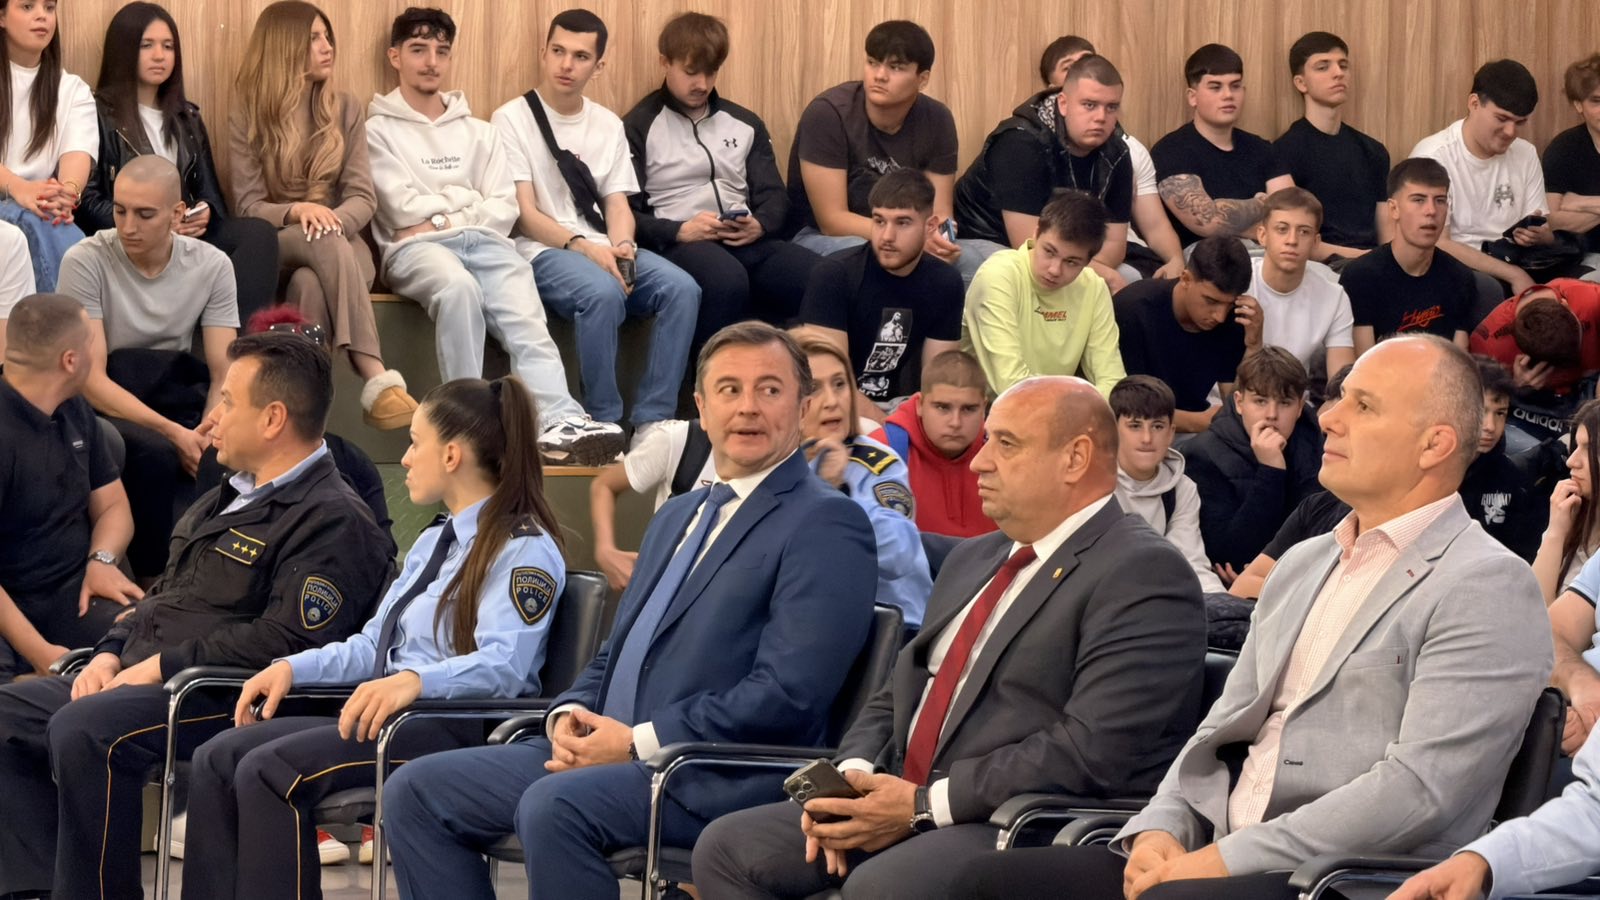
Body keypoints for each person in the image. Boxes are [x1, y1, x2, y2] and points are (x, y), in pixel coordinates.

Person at [948, 335, 1553, 900]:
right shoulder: (1304, 563)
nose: (1328, 417)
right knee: (985, 885)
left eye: (1363, 406)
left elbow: (1418, 790)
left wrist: (1220, 861)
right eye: (1339, 398)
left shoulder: (1487, 584)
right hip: (1216, 852)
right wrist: (1160, 829)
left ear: (1434, 445)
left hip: (1337, 879)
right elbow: (1217, 731)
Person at [381, 321, 879, 900]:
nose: (747, 406)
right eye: (729, 389)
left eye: (769, 389)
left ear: (802, 406)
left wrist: (637, 741)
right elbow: (616, 653)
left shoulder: (826, 522)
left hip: (711, 772)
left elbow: (787, 695)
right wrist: (567, 715)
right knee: (415, 790)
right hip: (612, 754)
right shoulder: (676, 514)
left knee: (554, 806)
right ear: (701, 408)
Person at [691, 375, 1207, 899]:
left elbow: (1090, 750)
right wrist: (851, 779)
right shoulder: (973, 557)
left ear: (1074, 459)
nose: (980, 462)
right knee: (729, 848)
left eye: (1006, 444)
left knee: (880, 889)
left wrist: (922, 805)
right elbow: (898, 690)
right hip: (904, 793)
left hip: (1017, 819)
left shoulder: (1143, 573)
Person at [0, 330, 393, 899]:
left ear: (273, 419)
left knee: (85, 728)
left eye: (228, 401)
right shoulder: (226, 496)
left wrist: (161, 667)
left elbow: (284, 642)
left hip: (225, 695)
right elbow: (163, 596)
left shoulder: (334, 519)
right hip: (147, 676)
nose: (213, 417)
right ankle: (36, 890)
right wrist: (109, 654)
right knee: (10, 714)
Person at [179, 375, 566, 900]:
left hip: (449, 725)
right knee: (216, 758)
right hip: (386, 716)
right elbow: (371, 646)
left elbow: (505, 667)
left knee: (269, 771)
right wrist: (292, 668)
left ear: (451, 455)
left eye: (414, 443)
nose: (404, 459)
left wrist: (416, 682)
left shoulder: (523, 549)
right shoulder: (435, 540)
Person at [365, 7, 622, 465]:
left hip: (485, 243)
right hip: (413, 249)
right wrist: (467, 205)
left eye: (441, 51)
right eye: (418, 50)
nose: (431, 62)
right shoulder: (377, 131)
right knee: (458, 290)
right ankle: (463, 425)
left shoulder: (480, 132)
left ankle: (559, 421)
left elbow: (504, 206)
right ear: (395, 57)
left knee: (524, 315)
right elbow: (398, 208)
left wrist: (442, 216)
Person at [490, 7, 700, 447]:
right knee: (601, 293)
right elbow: (524, 213)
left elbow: (617, 201)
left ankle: (653, 422)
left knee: (682, 289)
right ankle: (604, 421)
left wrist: (623, 245)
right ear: (543, 53)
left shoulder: (606, 123)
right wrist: (585, 247)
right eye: (558, 51)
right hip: (543, 250)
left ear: (598, 66)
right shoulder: (511, 118)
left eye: (581, 56)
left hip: (604, 245)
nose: (566, 64)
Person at [231, 0, 417, 430]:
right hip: (280, 240)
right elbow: (248, 206)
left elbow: (362, 197)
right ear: (286, 46)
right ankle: (375, 375)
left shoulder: (346, 108)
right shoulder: (248, 112)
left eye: (327, 37)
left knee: (309, 286)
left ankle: (301, 421)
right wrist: (299, 210)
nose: (327, 46)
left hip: (343, 247)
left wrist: (331, 221)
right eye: (314, 38)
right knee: (320, 245)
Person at [56, 155, 237, 579]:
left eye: (144, 214)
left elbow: (224, 371)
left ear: (177, 213)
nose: (128, 226)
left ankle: (209, 573)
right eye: (120, 211)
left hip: (176, 390)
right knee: (154, 452)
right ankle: (153, 577)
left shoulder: (213, 265)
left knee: (222, 452)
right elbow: (90, 380)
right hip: (108, 400)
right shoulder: (85, 259)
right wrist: (174, 434)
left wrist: (207, 431)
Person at [624, 11, 823, 351]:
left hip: (744, 238)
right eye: (691, 72)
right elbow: (624, 213)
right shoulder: (638, 126)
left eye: (711, 72)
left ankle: (802, 372)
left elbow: (775, 196)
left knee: (822, 276)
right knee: (726, 279)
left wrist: (760, 224)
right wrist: (679, 230)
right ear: (665, 62)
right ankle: (707, 379)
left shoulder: (744, 123)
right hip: (681, 242)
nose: (702, 84)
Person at [80, 1, 280, 326]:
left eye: (168, 46)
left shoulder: (187, 118)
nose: (160, 55)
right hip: (130, 236)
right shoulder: (96, 112)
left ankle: (242, 343)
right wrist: (152, 221)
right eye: (147, 45)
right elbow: (87, 201)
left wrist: (204, 213)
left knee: (258, 234)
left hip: (185, 235)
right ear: (123, 49)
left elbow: (212, 198)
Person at [0, 294, 136, 680]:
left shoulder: (72, 407)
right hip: (8, 603)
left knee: (143, 641)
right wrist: (40, 653)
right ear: (71, 361)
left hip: (73, 587)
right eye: (91, 343)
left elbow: (114, 507)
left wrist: (101, 561)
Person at [952, 53, 1136, 290]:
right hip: (991, 240)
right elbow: (1027, 245)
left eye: (1111, 107)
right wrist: (1086, 273)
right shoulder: (1021, 142)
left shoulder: (1117, 152)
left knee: (1129, 278)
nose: (1101, 117)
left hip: (1068, 252)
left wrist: (1082, 271)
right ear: (1063, 103)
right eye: (1089, 105)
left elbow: (1114, 243)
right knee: (1012, 277)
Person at [785, 19, 960, 266]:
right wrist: (906, 238)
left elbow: (939, 212)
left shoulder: (938, 119)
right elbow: (832, 220)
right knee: (873, 260)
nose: (879, 76)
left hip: (909, 237)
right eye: (873, 62)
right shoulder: (828, 113)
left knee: (981, 262)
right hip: (820, 236)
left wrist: (941, 239)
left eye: (895, 67)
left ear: (922, 79)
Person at [799, 169, 963, 420]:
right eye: (879, 221)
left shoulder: (944, 282)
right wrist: (890, 431)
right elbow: (828, 384)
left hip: (893, 406)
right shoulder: (834, 275)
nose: (887, 236)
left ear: (930, 226)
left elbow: (939, 383)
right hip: (826, 408)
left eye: (902, 222)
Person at [1412, 59, 1569, 318]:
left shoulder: (1526, 153)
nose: (1511, 132)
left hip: (1518, 258)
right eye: (1502, 119)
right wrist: (1513, 274)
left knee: (1580, 283)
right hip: (1459, 267)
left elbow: (1542, 226)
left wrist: (1539, 235)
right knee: (1489, 289)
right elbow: (1438, 242)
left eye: (1520, 122)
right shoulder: (1434, 157)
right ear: (1474, 103)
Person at [800, 337, 931, 630]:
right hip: (809, 625)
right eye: (813, 388)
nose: (832, 401)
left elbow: (900, 555)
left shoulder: (876, 463)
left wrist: (835, 495)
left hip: (891, 632)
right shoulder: (772, 467)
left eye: (839, 384)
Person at [1039, 36, 1186, 282]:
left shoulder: (1127, 151)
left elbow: (1154, 225)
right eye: (1069, 67)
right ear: (1054, 92)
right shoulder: (1033, 142)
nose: (1086, 72)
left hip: (1117, 251)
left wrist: (1176, 259)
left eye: (1088, 62)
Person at [962, 190, 1126, 396]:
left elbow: (1111, 379)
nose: (1054, 270)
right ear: (1036, 232)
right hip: (983, 410)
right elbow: (1011, 384)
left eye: (1071, 262)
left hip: (1054, 408)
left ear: (1088, 261)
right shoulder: (999, 274)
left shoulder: (1093, 287)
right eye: (1049, 251)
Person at [1185, 346, 1324, 572]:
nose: (1272, 414)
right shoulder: (1203, 455)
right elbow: (1230, 557)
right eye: (1260, 401)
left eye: (1284, 403)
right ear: (1239, 403)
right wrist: (1271, 471)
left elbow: (1321, 532)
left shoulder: (1316, 444)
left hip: (1301, 575)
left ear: (1300, 407)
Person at [1152, 43, 1293, 248]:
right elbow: (1208, 222)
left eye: (1235, 86)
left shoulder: (1261, 148)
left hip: (1273, 253)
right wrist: (1264, 204)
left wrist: (1233, 222)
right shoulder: (1171, 151)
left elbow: (1292, 213)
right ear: (1192, 97)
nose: (1228, 95)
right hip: (1208, 257)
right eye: (1215, 87)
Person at [1113, 235, 1260, 432]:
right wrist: (1197, 422)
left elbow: (1234, 404)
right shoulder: (1133, 310)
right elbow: (1122, 405)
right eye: (1211, 301)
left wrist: (1253, 346)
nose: (1220, 316)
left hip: (1196, 431)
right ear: (1186, 279)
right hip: (1132, 432)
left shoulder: (1234, 318)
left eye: (1230, 304)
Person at [1272, 31, 1391, 263]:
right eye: (1323, 67)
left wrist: (1386, 263)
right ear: (1301, 83)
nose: (1338, 73)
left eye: (1343, 65)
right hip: (1320, 267)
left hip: (1374, 267)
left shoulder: (1373, 151)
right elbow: (1296, 241)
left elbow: (1388, 236)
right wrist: (1373, 259)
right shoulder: (1284, 151)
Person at [0, 0, 92, 292]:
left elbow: (77, 153)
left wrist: (67, 194)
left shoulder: (73, 89)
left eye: (49, 8)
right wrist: (19, 188)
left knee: (49, 220)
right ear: (1, 16)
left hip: (42, 207)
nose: (42, 16)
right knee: (34, 220)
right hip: (16, 203)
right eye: (28, 7)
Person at [1341, 158, 1477, 355]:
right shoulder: (1360, 276)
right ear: (1394, 209)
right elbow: (1364, 364)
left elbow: (1458, 360)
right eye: (1418, 200)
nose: (1431, 211)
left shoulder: (1460, 277)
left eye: (1440, 200)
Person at [1111, 375, 1224, 592]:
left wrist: (1223, 603)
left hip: (1160, 596)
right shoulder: (1094, 484)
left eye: (1157, 426)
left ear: (1171, 433)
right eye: (1135, 426)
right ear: (1113, 430)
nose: (1146, 438)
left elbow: (1190, 562)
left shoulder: (1182, 489)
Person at [870, 349, 995, 538]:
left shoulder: (1003, 455)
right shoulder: (881, 450)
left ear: (984, 408)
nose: (955, 422)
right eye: (942, 407)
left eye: (968, 409)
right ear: (920, 405)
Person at [1246, 188, 1356, 378]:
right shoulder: (1239, 281)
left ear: (1315, 242)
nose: (1292, 240)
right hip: (1232, 392)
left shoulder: (1334, 297)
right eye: (1282, 229)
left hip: (1294, 395)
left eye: (1304, 232)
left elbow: (1340, 384)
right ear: (1262, 235)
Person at [1460, 355, 1544, 562]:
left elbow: (1522, 556)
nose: (1490, 426)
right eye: (1482, 411)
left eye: (1500, 413)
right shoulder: (1425, 468)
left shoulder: (1512, 479)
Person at [1470, 278, 1600, 406]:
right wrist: (1514, 387)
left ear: (1565, 304)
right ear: (1525, 354)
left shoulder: (1591, 299)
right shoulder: (1490, 350)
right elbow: (1480, 405)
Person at [1533, 399, 1600, 604]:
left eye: (1590, 449)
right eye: (1576, 446)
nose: (1571, 461)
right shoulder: (1571, 515)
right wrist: (1556, 532)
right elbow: (1532, 608)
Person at [1545, 53, 1600, 277]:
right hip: (1583, 258)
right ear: (1578, 104)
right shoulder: (1564, 148)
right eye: (1597, 101)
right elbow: (1551, 221)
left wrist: (1578, 203)